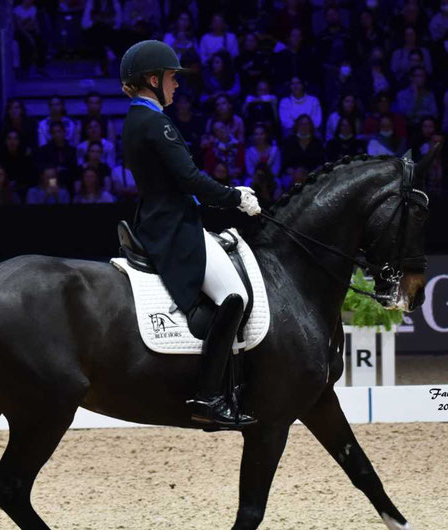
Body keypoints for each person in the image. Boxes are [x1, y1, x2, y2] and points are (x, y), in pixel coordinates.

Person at [119, 39, 261, 429]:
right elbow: (189, 178)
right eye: (170, 77)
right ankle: (209, 395)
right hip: (173, 226)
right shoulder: (154, 122)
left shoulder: (135, 119)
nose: (176, 85)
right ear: (152, 79)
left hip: (158, 218)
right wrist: (235, 197)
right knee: (235, 296)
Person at [280, 113, 325, 178]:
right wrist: (296, 173)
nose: (304, 127)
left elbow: (321, 163)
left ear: (310, 126)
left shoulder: (317, 143)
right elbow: (285, 165)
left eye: (306, 124)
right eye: (301, 124)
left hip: (313, 175)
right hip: (293, 175)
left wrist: (311, 174)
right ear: (297, 126)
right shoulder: (289, 142)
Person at [14, 0, 49, 79]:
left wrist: (37, 32)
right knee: (26, 45)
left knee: (42, 43)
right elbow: (20, 27)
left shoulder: (33, 8)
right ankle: (24, 69)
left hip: (31, 31)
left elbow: (35, 24)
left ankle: (40, 67)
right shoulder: (17, 10)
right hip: (21, 33)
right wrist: (29, 36)